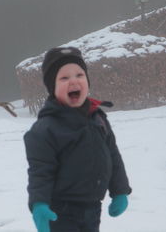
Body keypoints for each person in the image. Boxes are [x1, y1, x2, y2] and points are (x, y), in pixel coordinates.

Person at [24, 47, 132, 232]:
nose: (74, 81)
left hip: (92, 207)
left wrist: (120, 190)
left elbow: (113, 156)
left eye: (79, 75)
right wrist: (39, 203)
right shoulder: (45, 129)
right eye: (64, 78)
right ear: (53, 87)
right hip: (61, 212)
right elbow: (40, 172)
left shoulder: (97, 118)